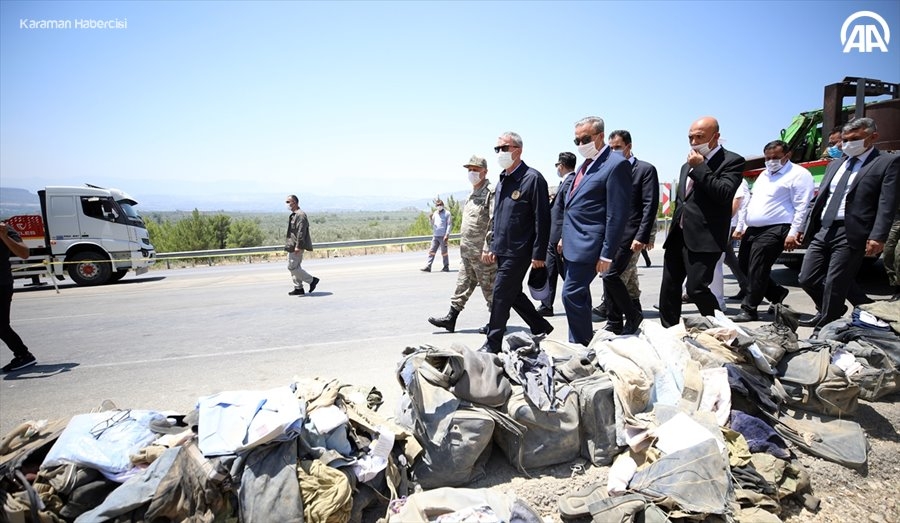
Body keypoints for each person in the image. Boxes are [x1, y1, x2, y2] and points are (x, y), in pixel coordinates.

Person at [797, 117, 899, 329]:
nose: (847, 144)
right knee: (807, 277)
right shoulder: (836, 164)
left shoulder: (886, 163)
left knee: (836, 282)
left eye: (855, 139)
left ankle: (826, 324)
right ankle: (831, 310)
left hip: (852, 231)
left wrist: (878, 236)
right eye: (844, 139)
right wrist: (803, 226)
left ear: (873, 137)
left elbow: (887, 203)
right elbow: (820, 199)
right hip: (825, 228)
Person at [658, 116, 745, 328]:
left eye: (700, 137)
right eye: (691, 137)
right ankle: (669, 332)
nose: (694, 142)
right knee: (669, 288)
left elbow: (723, 194)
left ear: (715, 137)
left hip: (705, 238)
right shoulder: (685, 165)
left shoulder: (732, 161)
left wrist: (700, 168)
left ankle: (723, 329)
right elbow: (684, 200)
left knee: (696, 289)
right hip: (679, 235)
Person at [479, 132, 553, 353]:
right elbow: (499, 217)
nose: (500, 153)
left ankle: (493, 344)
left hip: (521, 250)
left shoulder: (533, 179)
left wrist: (539, 254)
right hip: (503, 248)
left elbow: (543, 219)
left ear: (518, 150)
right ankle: (540, 325)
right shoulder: (503, 180)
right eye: (497, 149)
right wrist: (493, 245)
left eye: (504, 148)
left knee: (501, 294)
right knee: (512, 293)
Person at [561, 117, 632, 344]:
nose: (581, 144)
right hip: (573, 243)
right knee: (578, 295)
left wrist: (607, 253)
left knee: (570, 294)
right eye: (577, 140)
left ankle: (582, 346)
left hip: (592, 245)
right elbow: (574, 206)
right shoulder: (586, 165)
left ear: (600, 136)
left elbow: (617, 213)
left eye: (585, 138)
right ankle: (579, 343)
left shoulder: (615, 164)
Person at [731, 140, 814, 322]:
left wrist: (794, 232)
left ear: (787, 155)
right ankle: (777, 293)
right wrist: (743, 226)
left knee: (758, 268)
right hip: (753, 228)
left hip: (777, 228)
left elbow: (802, 206)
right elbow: (752, 201)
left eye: (775, 157)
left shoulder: (799, 175)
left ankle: (749, 308)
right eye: (768, 158)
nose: (771, 161)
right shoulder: (764, 175)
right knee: (743, 266)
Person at [428, 156, 496, 333]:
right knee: (462, 286)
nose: (472, 173)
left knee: (490, 290)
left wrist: (488, 247)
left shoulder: (491, 192)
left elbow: (494, 221)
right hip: (467, 252)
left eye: (476, 169)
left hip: (482, 253)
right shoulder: (471, 194)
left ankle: (496, 323)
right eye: (469, 170)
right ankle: (451, 319)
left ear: (485, 171)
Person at [602, 130, 658, 335]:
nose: (614, 151)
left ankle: (630, 317)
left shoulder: (644, 170)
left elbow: (649, 205)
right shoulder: (611, 170)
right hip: (611, 234)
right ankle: (616, 321)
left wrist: (642, 236)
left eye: (617, 147)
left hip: (631, 234)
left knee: (611, 275)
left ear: (629, 146)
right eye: (610, 148)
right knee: (616, 276)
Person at [536, 152, 576, 317]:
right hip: (553, 237)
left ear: (561, 165)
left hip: (560, 238)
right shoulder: (565, 182)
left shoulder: (570, 183)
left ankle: (577, 304)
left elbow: (569, 212)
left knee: (568, 275)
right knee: (549, 271)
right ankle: (546, 305)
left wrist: (563, 238)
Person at [1, 221, 36, 373]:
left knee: (1, 325)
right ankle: (23, 354)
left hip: (1, 284)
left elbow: (24, 253)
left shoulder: (5, 230)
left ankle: (23, 355)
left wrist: (4, 236)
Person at [285, 195, 319, 296]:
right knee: (296, 267)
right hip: (292, 245)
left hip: (297, 246)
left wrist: (298, 246)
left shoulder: (300, 215)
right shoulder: (294, 215)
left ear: (295, 202)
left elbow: (301, 232)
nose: (287, 204)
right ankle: (298, 288)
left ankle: (312, 280)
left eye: (288, 202)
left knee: (292, 267)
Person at [723, 179, 751, 301]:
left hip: (730, 224)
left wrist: (740, 227)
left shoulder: (738, 180)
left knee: (714, 257)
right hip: (729, 224)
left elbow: (739, 202)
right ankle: (746, 286)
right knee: (729, 258)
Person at [421, 199, 452, 272]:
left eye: (440, 205)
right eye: (437, 205)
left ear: (443, 205)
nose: (439, 206)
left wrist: (447, 234)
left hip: (443, 236)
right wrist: (430, 218)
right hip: (436, 236)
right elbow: (432, 224)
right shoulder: (435, 213)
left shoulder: (447, 213)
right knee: (432, 251)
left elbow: (449, 224)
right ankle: (428, 266)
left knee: (444, 252)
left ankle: (446, 266)